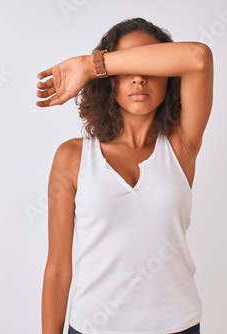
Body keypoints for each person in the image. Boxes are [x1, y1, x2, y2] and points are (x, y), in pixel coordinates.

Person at [37, 17, 213, 334]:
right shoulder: (72, 157)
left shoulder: (181, 147)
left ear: (168, 76)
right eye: (125, 68)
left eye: (151, 64)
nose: (139, 78)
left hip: (177, 326)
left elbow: (198, 58)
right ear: (110, 81)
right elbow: (58, 268)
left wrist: (89, 65)